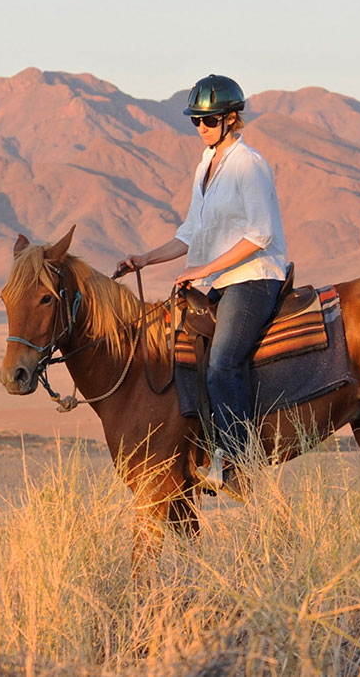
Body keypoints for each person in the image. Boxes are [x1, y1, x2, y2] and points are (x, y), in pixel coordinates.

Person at [116, 74, 289, 496]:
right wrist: (144, 258)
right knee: (182, 355)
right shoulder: (204, 167)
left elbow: (260, 234)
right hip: (219, 279)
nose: (201, 128)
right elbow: (190, 232)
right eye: (196, 120)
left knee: (223, 362)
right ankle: (197, 450)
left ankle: (239, 464)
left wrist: (203, 269)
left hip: (253, 277)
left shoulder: (249, 164)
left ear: (232, 118)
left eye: (209, 120)